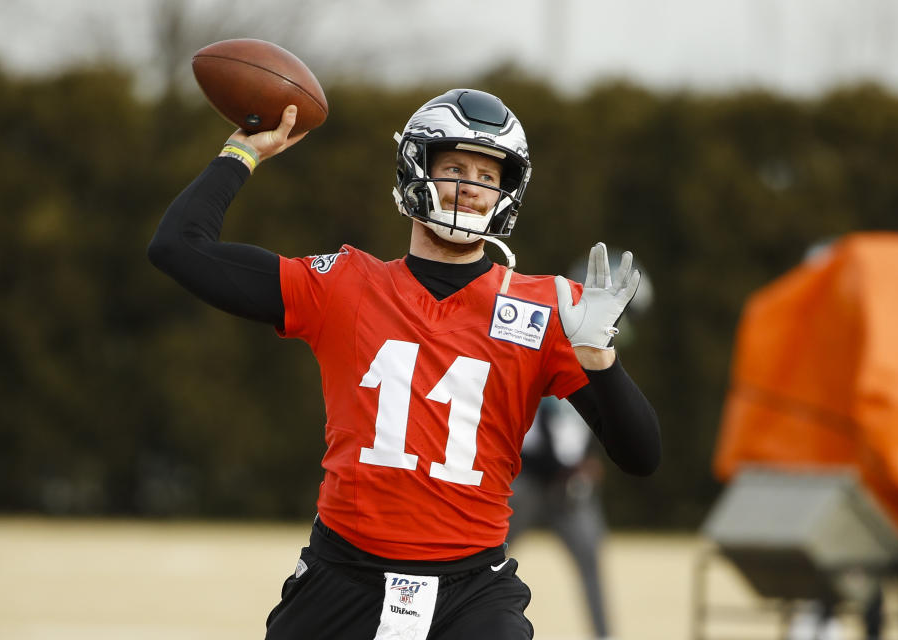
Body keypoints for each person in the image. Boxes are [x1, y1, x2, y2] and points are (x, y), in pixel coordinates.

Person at [148, 88, 661, 640]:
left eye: (487, 176)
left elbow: (641, 455)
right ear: (417, 169)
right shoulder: (345, 284)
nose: (470, 188)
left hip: (472, 590)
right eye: (455, 168)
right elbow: (179, 247)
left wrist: (600, 361)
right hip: (344, 574)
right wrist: (241, 152)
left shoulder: (542, 309)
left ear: (506, 192)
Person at [507, 395, 614, 640]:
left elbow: (593, 427)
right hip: (528, 478)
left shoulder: (587, 377)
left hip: (570, 485)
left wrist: (590, 461)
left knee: (591, 558)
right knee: (488, 552)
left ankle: (604, 635)